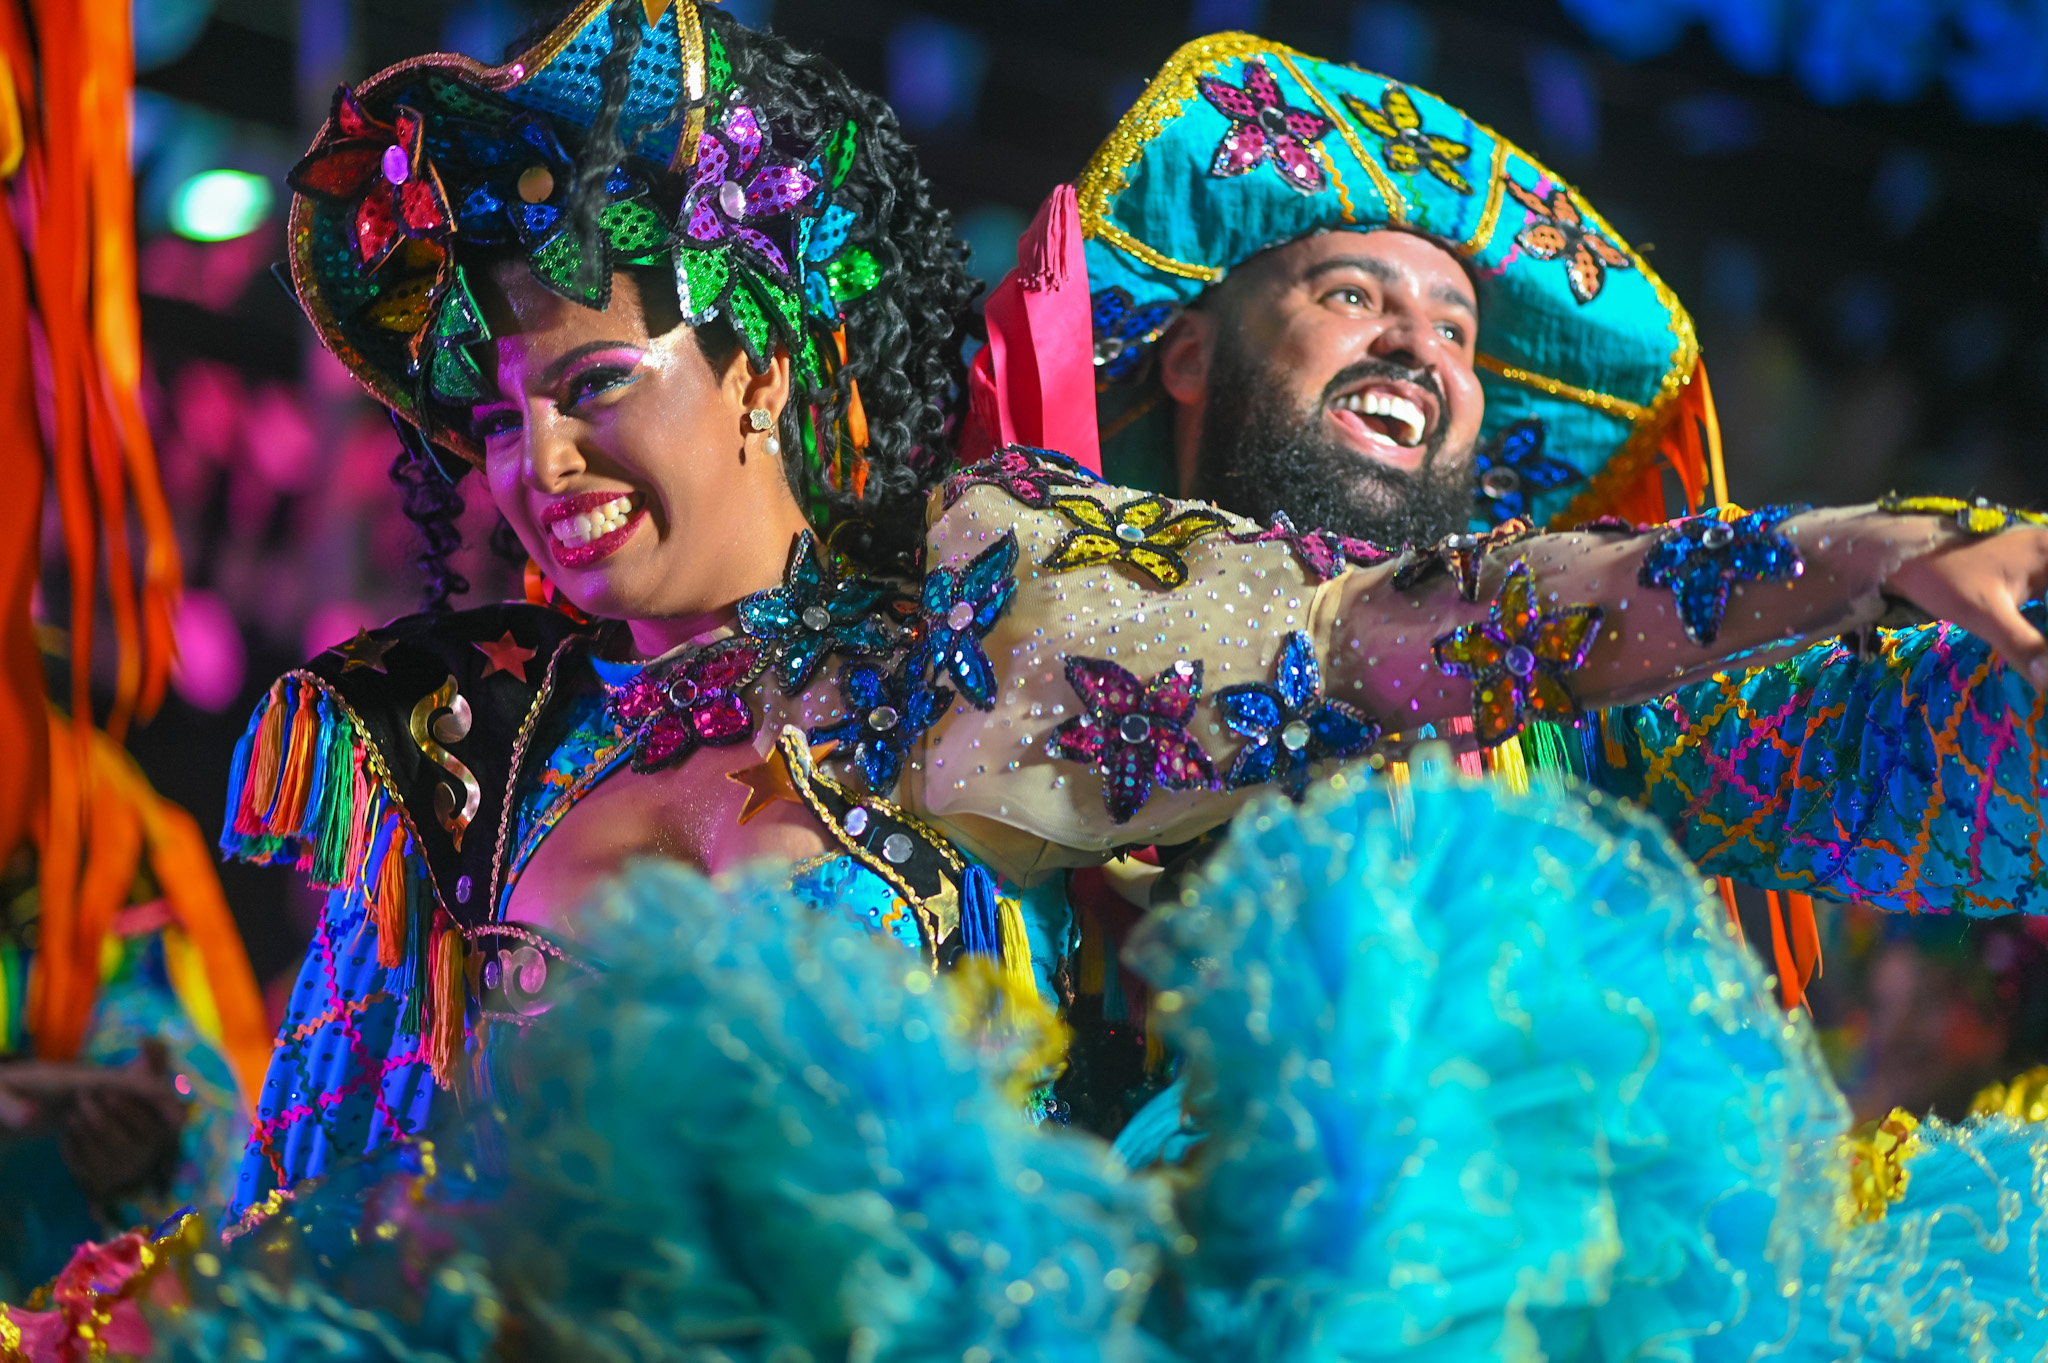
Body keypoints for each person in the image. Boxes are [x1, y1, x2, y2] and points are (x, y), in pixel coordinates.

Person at [176, 2, 2048, 1349]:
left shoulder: (1054, 627)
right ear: (1182, 358)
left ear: (755, 366)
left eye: (1460, 327)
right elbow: (323, 1182)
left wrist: (1891, 558)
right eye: (1352, 291)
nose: (545, 466)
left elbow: (1871, 744)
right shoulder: (452, 734)